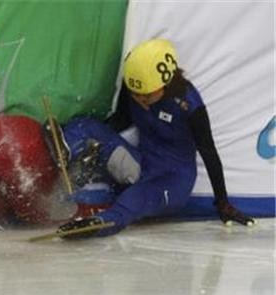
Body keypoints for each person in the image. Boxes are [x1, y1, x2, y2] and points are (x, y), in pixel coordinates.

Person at [56, 39, 255, 238]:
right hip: (141, 164)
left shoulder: (190, 106)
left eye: (147, 96)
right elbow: (121, 120)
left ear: (165, 85)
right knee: (86, 125)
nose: (141, 100)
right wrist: (98, 140)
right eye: (135, 94)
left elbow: (209, 153)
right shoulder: (136, 83)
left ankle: (99, 224)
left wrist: (223, 203)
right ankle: (65, 152)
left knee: (134, 199)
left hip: (173, 181)